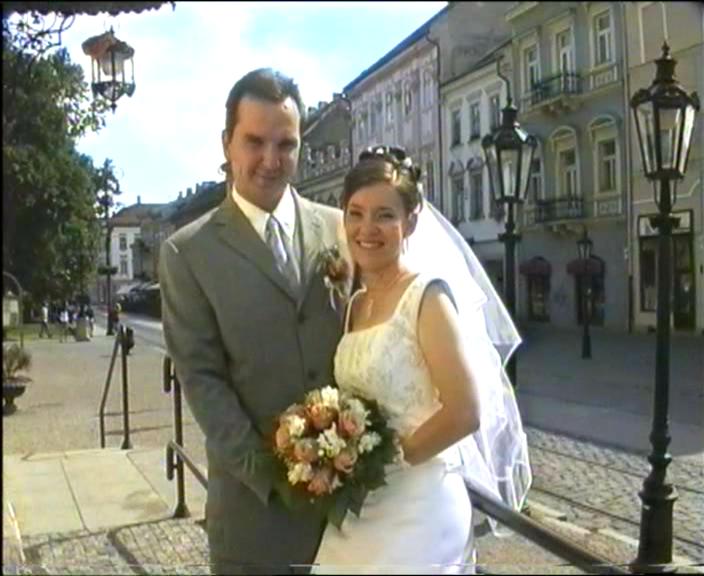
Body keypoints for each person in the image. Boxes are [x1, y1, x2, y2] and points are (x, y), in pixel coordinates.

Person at [159, 68, 349, 574]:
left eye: (286, 144)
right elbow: (203, 382)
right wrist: (277, 478)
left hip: (353, 518)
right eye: (255, 142)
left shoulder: (339, 229)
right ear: (227, 143)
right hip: (256, 520)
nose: (271, 159)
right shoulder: (187, 253)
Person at [312, 146, 532, 573]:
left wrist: (385, 460)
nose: (367, 229)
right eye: (356, 213)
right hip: (361, 501)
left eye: (384, 215)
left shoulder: (427, 296)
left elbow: (465, 412)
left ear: (410, 221)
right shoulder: (356, 304)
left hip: (419, 502)